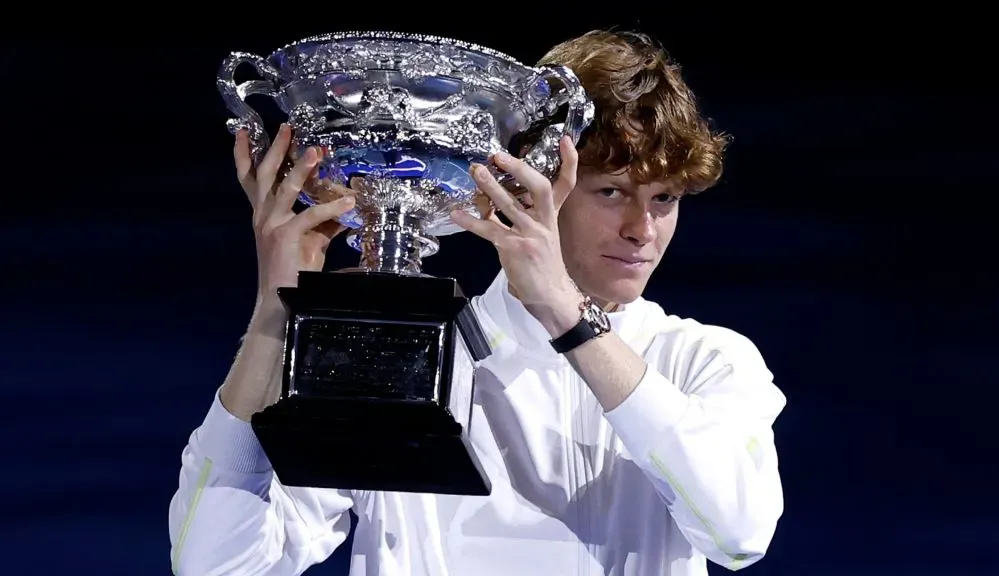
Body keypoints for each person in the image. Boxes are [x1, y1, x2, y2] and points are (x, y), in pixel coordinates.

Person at [169, 30, 786, 575]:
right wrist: (274, 317)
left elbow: (738, 534)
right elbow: (216, 565)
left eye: (664, 200)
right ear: (528, 183)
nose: (641, 229)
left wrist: (569, 319)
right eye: (611, 191)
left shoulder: (705, 360)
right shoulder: (399, 356)